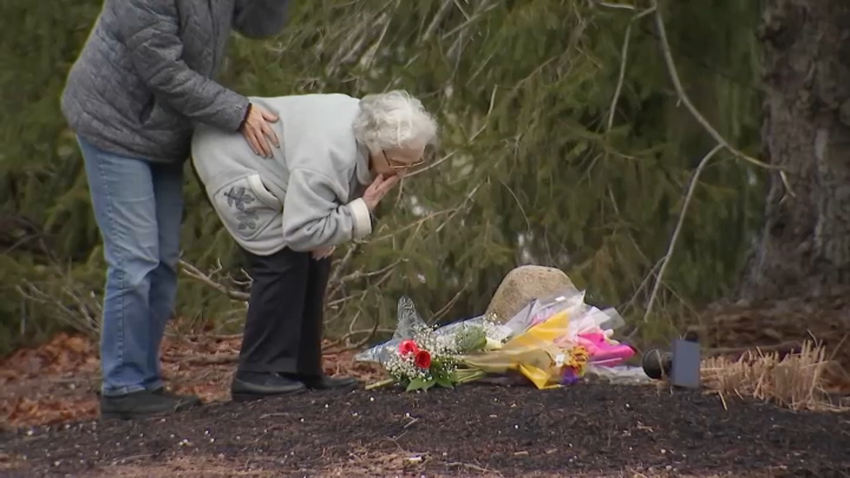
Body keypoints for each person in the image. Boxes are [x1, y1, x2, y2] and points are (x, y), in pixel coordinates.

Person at [60, 0, 291, 420]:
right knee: (135, 260)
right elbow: (164, 71)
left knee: (162, 262)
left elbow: (260, 25)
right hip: (114, 125)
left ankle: (144, 382)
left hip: (163, 133)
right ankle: (123, 387)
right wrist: (238, 111)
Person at [191, 90, 439, 401]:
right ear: (375, 146)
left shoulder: (366, 131)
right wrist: (362, 209)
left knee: (317, 257)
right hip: (228, 160)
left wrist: (332, 229)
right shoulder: (329, 154)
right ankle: (257, 373)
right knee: (280, 259)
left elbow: (322, 223)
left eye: (411, 165)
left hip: (270, 163)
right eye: (398, 163)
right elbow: (301, 232)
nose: (401, 174)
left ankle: (303, 368)